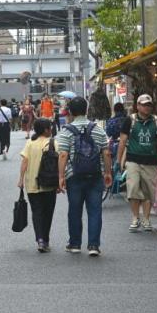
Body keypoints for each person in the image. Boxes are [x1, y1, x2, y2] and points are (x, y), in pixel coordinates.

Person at [57, 96, 112, 257]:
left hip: (74, 176)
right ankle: (94, 245)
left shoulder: (66, 131)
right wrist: (107, 173)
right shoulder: (97, 129)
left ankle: (74, 244)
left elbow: (62, 155)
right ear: (86, 110)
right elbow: (107, 152)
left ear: (71, 112)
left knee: (74, 210)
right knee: (95, 210)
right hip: (95, 175)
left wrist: (61, 176)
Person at [117, 94, 157, 233]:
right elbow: (122, 141)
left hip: (151, 161)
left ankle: (146, 218)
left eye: (149, 105)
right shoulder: (130, 120)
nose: (146, 107)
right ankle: (135, 217)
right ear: (137, 106)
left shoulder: (156, 121)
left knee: (148, 192)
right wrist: (118, 161)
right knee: (133, 188)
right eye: (144, 104)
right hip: (133, 160)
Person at [18, 118, 59, 252]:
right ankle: (45, 240)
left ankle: (40, 239)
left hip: (32, 184)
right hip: (49, 184)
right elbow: (59, 163)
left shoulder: (30, 143)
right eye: (50, 127)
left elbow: (24, 162)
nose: (52, 129)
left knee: (37, 212)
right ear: (46, 130)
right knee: (48, 212)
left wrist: (20, 179)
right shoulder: (53, 143)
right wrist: (60, 181)